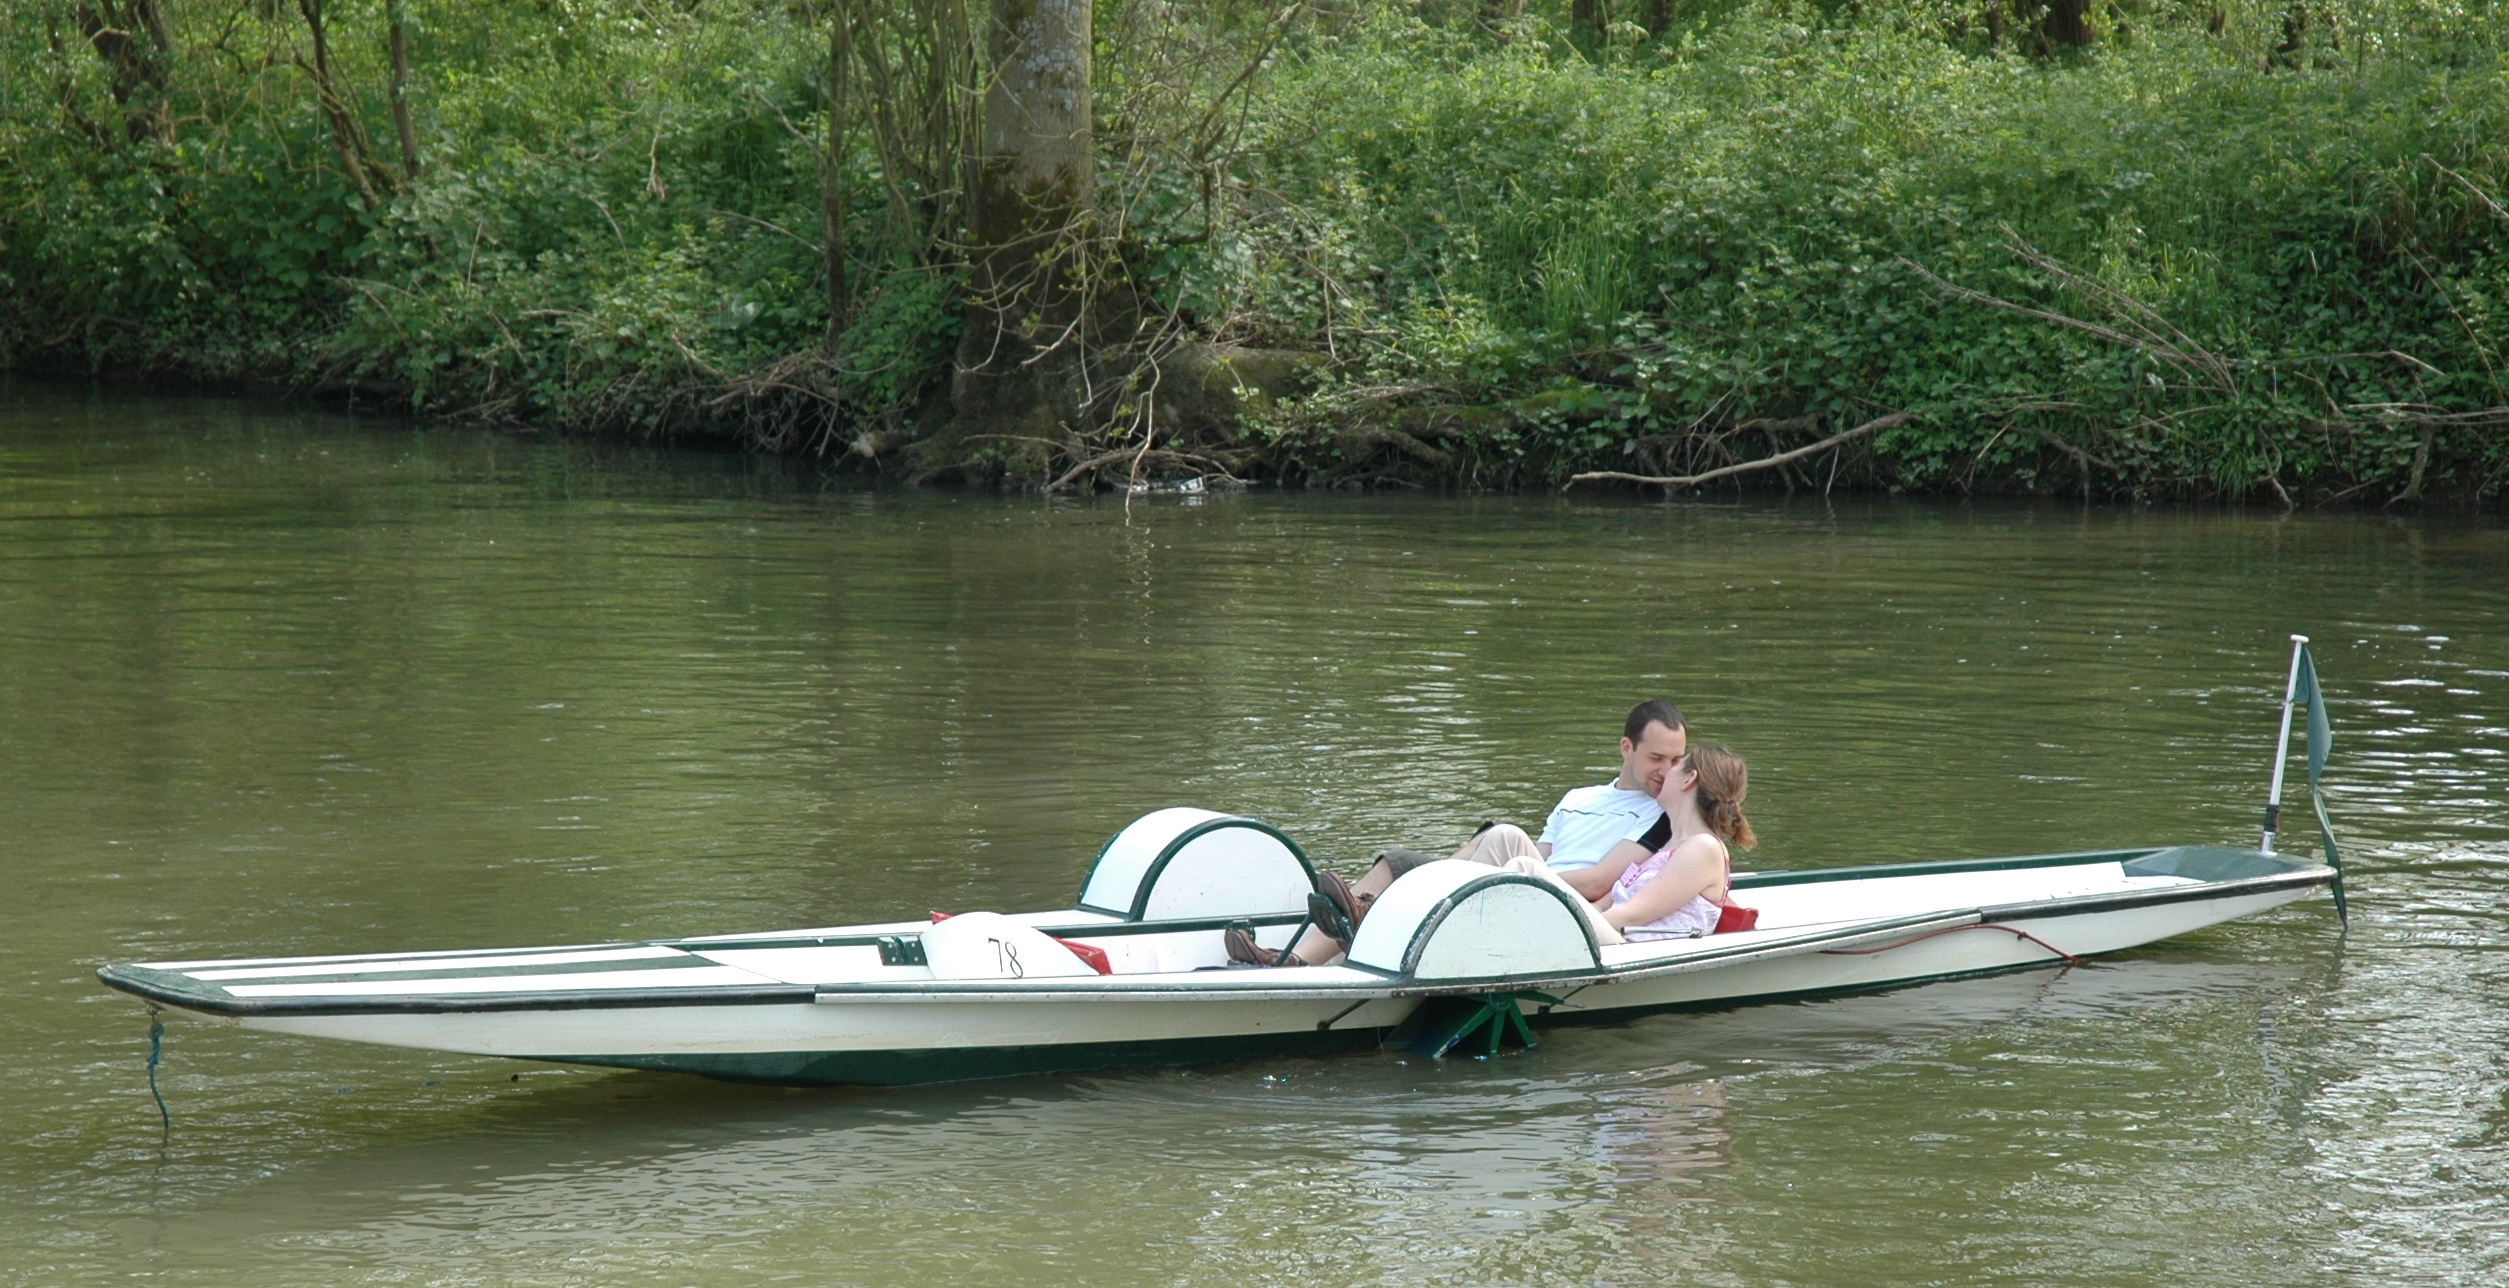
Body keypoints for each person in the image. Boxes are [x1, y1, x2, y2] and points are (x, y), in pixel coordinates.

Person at [1229, 699, 1689, 966]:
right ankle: (1302, 958)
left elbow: (1595, 884)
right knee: (1399, 861)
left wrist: (1513, 873)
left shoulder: (1662, 814)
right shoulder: (1578, 797)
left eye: (1675, 760)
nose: (1666, 771)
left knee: (1504, 837)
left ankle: (1380, 913)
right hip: (1529, 883)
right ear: (1627, 748)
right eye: (1656, 759)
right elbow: (1544, 852)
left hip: (1565, 910)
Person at [1586, 744, 1756, 942]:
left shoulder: (1703, 848)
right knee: (1540, 870)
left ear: (1689, 778)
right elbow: (1602, 906)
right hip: (1605, 942)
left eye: (1676, 763)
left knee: (1539, 870)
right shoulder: (1665, 850)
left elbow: (1630, 916)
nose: (1666, 771)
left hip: (1628, 953)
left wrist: (1565, 930)